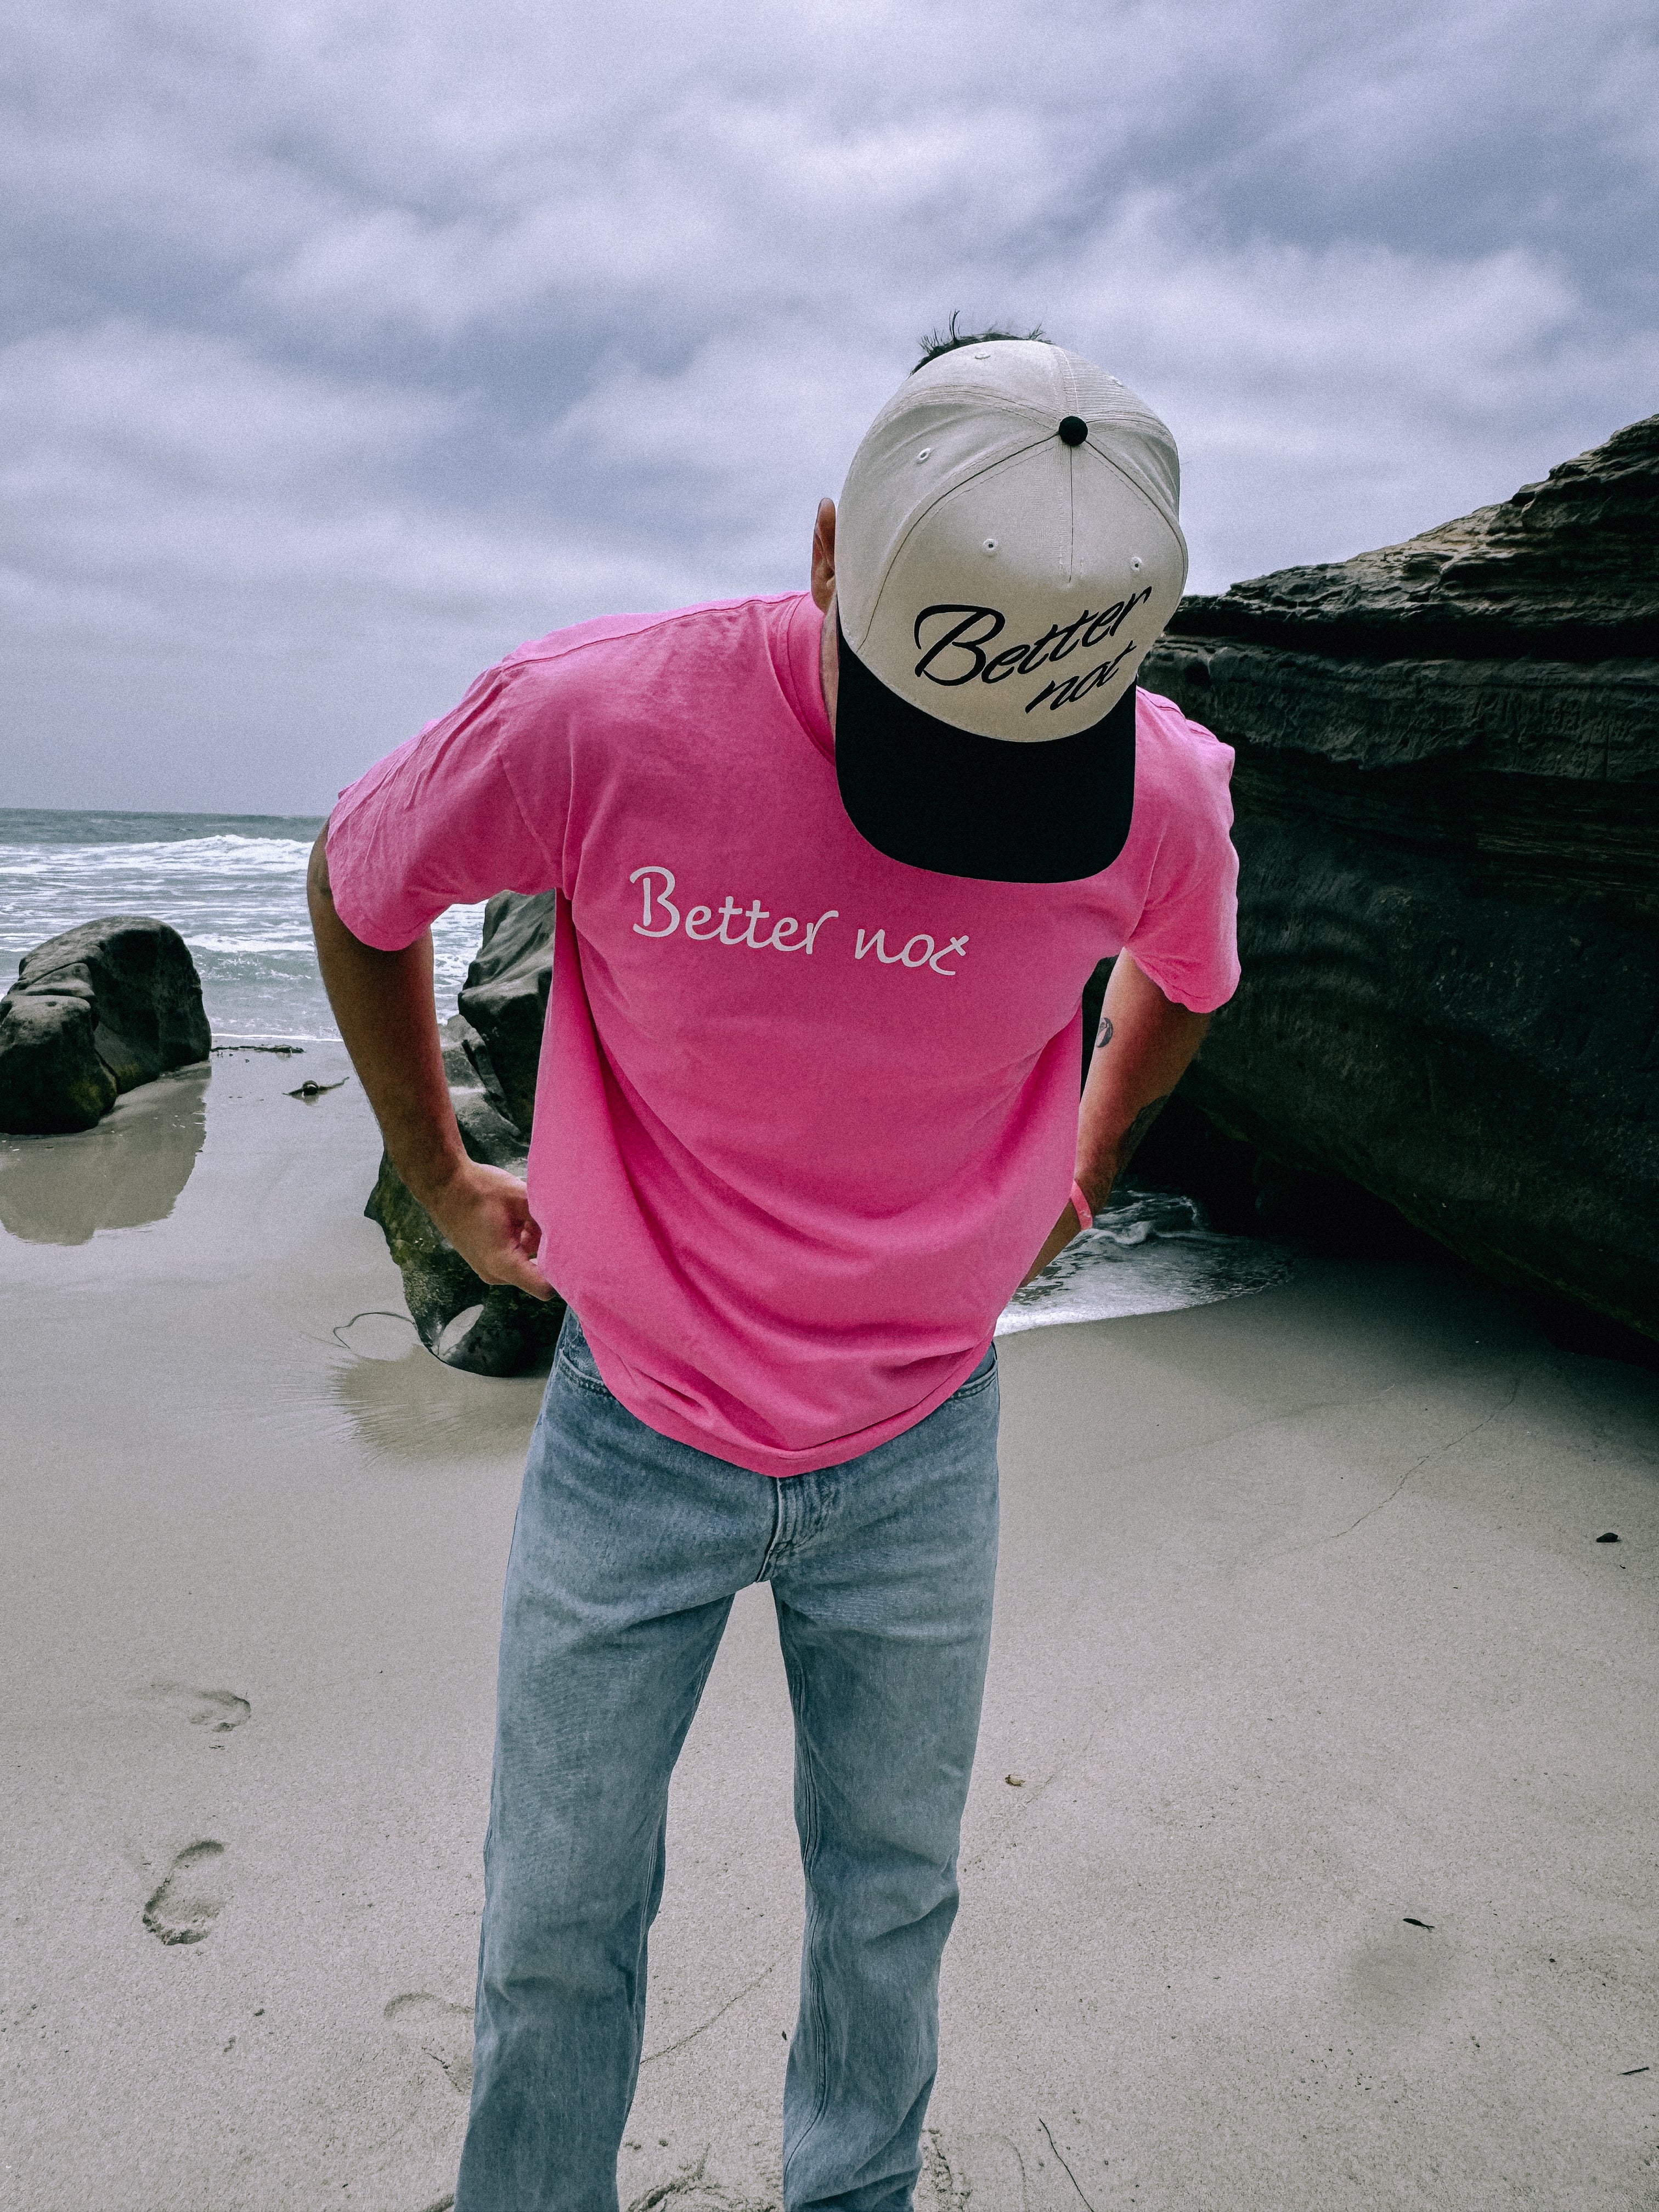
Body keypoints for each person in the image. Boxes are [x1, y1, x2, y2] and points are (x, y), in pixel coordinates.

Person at [308, 329, 1239, 2212]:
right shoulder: (600, 721)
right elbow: (360, 874)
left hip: (923, 1442)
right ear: (829, 552)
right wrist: (437, 1170)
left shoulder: (1163, 790)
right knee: (557, 1919)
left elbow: (1190, 977)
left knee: (891, 1905)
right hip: (630, 1428)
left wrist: (1091, 1148)